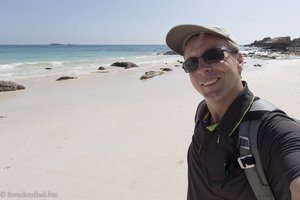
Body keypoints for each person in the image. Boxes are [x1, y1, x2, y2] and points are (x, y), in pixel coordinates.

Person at [165, 24, 300, 200]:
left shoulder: (274, 131)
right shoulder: (203, 113)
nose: (201, 69)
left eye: (214, 56)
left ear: (239, 60)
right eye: (191, 63)